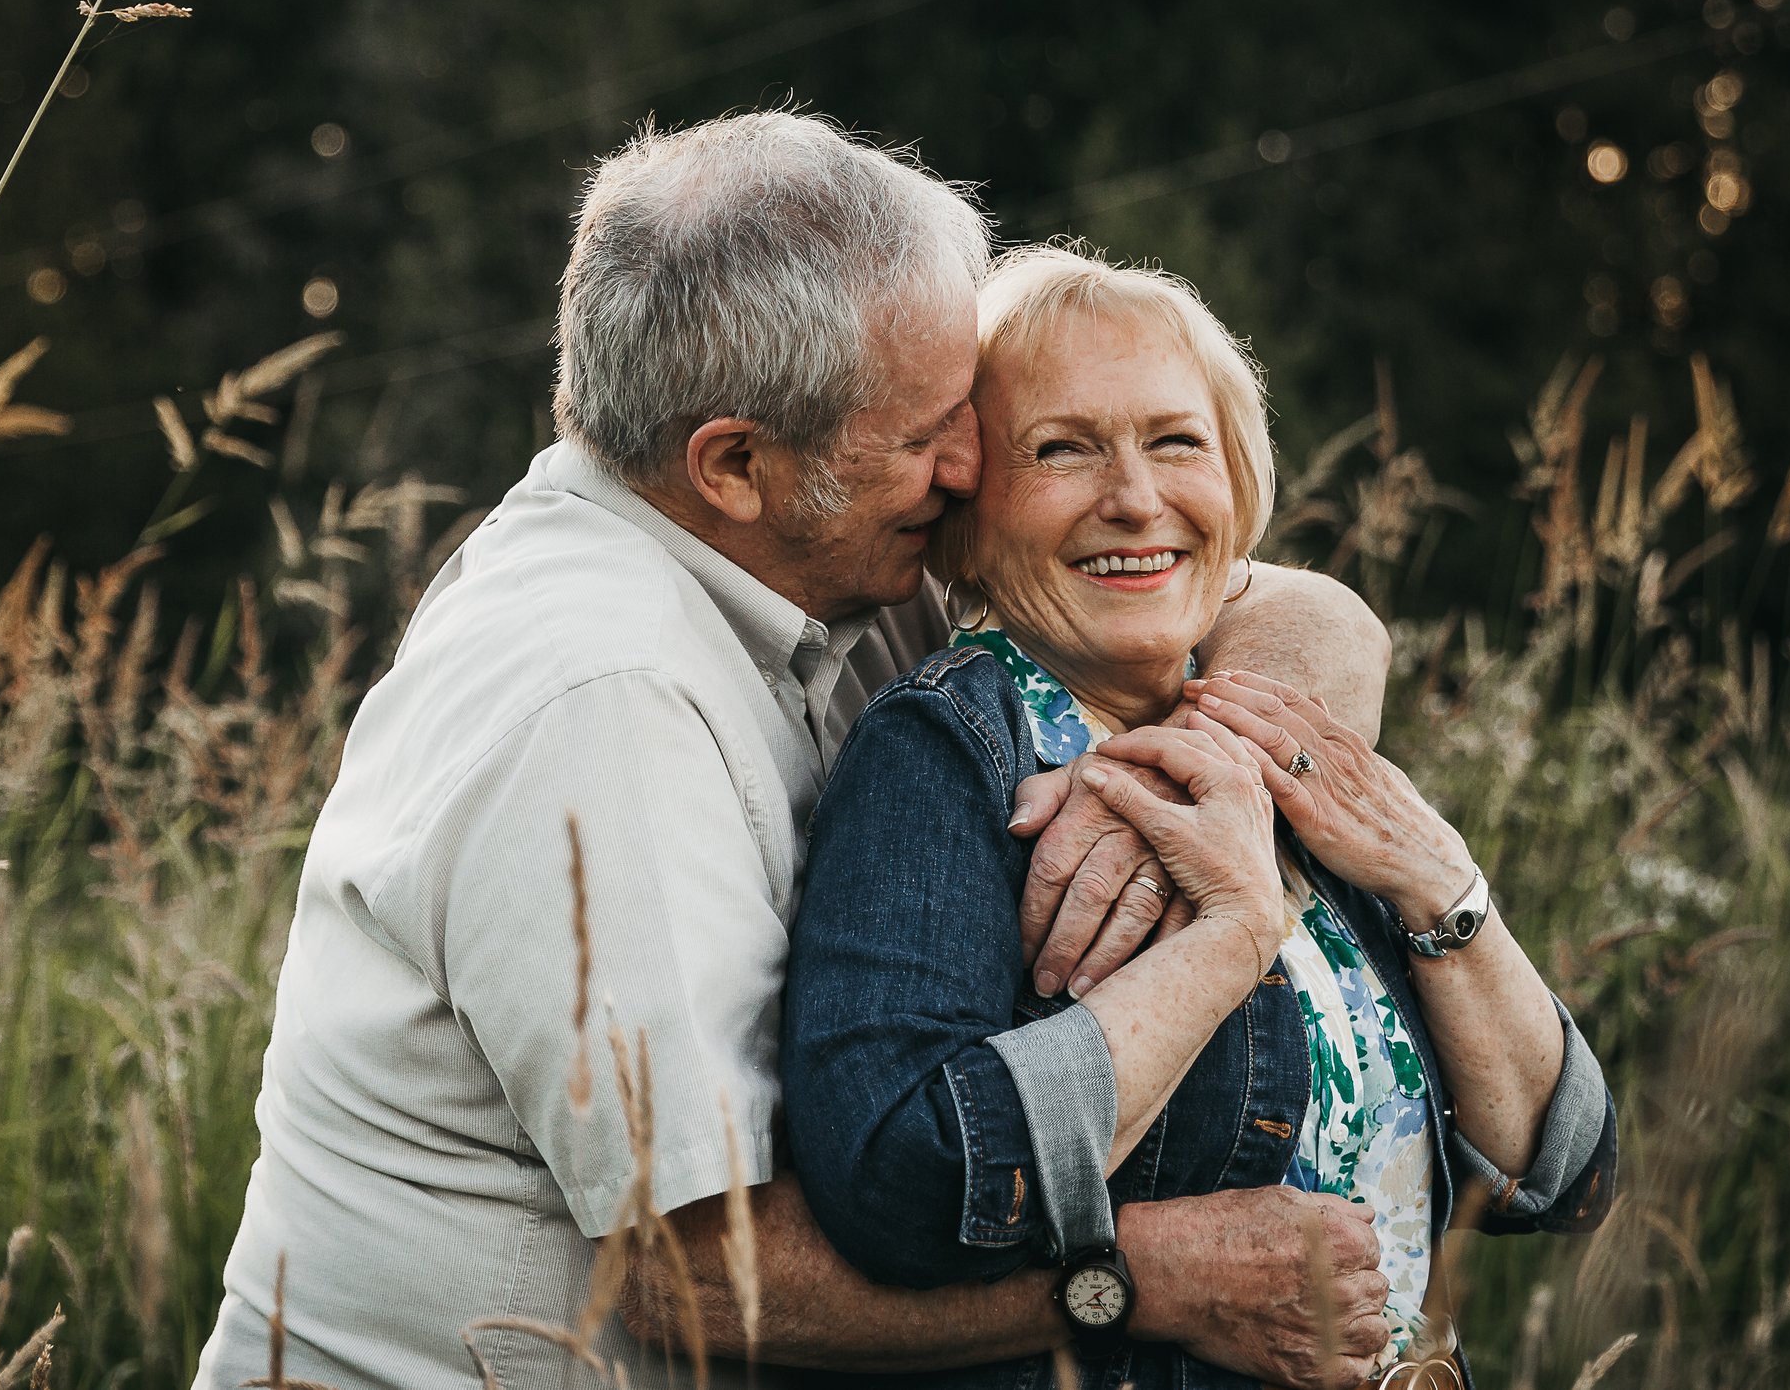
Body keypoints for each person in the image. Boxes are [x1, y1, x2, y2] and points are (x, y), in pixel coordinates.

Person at [193, 115, 1396, 1390]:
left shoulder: (818, 555)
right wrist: (1147, 1279)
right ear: (738, 463)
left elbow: (1295, 605)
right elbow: (699, 1280)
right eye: (932, 428)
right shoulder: (599, 702)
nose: (969, 466)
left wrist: (1194, 777)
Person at [781, 244, 1618, 1389]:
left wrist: (1439, 888)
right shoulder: (947, 753)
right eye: (1062, 448)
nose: (1135, 497)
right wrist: (1230, 934)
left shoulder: (1278, 730)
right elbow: (899, 1180)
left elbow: (1561, 1171)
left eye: (1175, 441)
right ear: (968, 509)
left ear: (1237, 481)